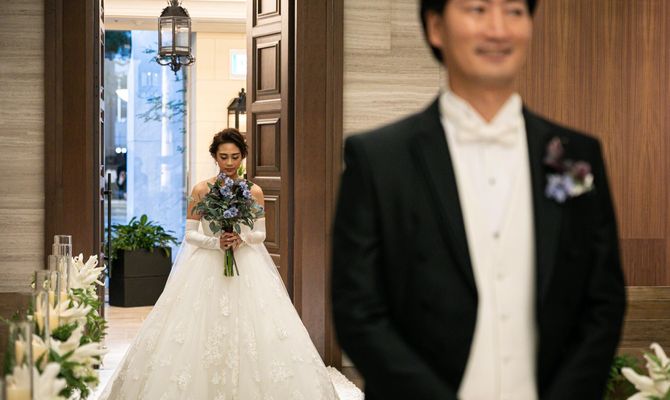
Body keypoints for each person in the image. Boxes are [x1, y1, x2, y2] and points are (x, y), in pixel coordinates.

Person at [331, 1, 626, 399]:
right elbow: (357, 310)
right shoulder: (379, 159)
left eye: (514, 11)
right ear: (436, 27)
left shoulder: (576, 156)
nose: (498, 29)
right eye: (478, 9)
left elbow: (604, 300)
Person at [101, 129, 339, 399]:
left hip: (246, 264)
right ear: (214, 156)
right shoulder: (201, 190)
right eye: (223, 156)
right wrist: (216, 243)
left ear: (243, 156)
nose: (229, 162)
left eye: (235, 156)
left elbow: (261, 233)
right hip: (206, 265)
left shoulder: (254, 191)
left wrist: (241, 238)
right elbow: (190, 234)